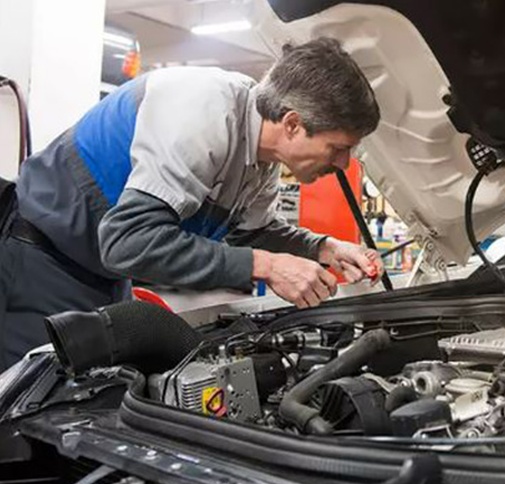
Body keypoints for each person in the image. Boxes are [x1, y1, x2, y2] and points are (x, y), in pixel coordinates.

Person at [0, 37, 384, 371]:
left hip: (104, 275)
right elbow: (128, 242)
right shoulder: (203, 113)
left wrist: (321, 248)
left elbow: (248, 234)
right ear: (293, 124)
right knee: (35, 423)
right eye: (338, 148)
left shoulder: (262, 158)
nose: (343, 164)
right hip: (43, 264)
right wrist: (268, 266)